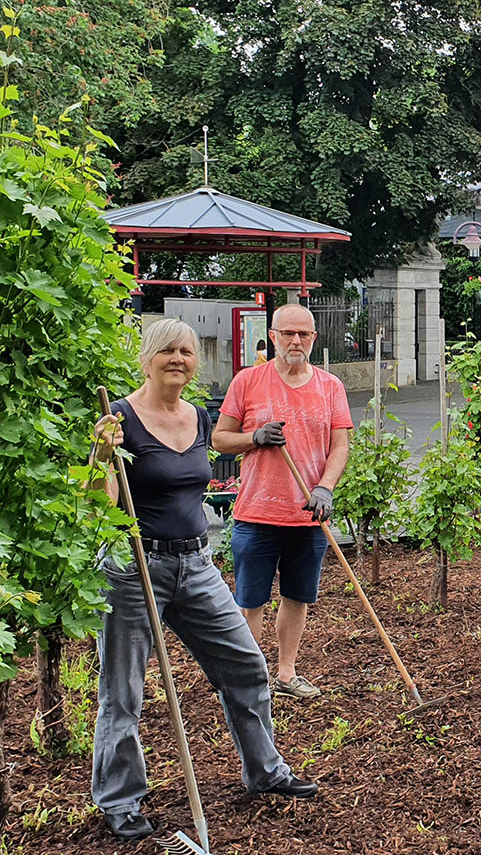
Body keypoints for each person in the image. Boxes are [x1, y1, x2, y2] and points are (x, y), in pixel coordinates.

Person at [89, 319, 316, 842]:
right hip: (133, 565)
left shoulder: (197, 414)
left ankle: (264, 771)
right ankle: (120, 801)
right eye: (167, 349)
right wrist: (102, 456)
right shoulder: (118, 418)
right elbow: (101, 506)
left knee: (245, 664)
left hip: (196, 563)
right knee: (122, 691)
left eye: (186, 351)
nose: (178, 358)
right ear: (147, 357)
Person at [213, 304, 352, 699]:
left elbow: (340, 445)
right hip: (257, 512)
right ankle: (249, 679)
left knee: (297, 597)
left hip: (309, 515)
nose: (296, 341)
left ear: (313, 339)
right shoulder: (248, 382)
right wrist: (253, 437)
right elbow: (220, 439)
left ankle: (287, 674)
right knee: (250, 600)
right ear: (272, 336)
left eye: (303, 335)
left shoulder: (330, 386)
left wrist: (325, 488)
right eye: (288, 333)